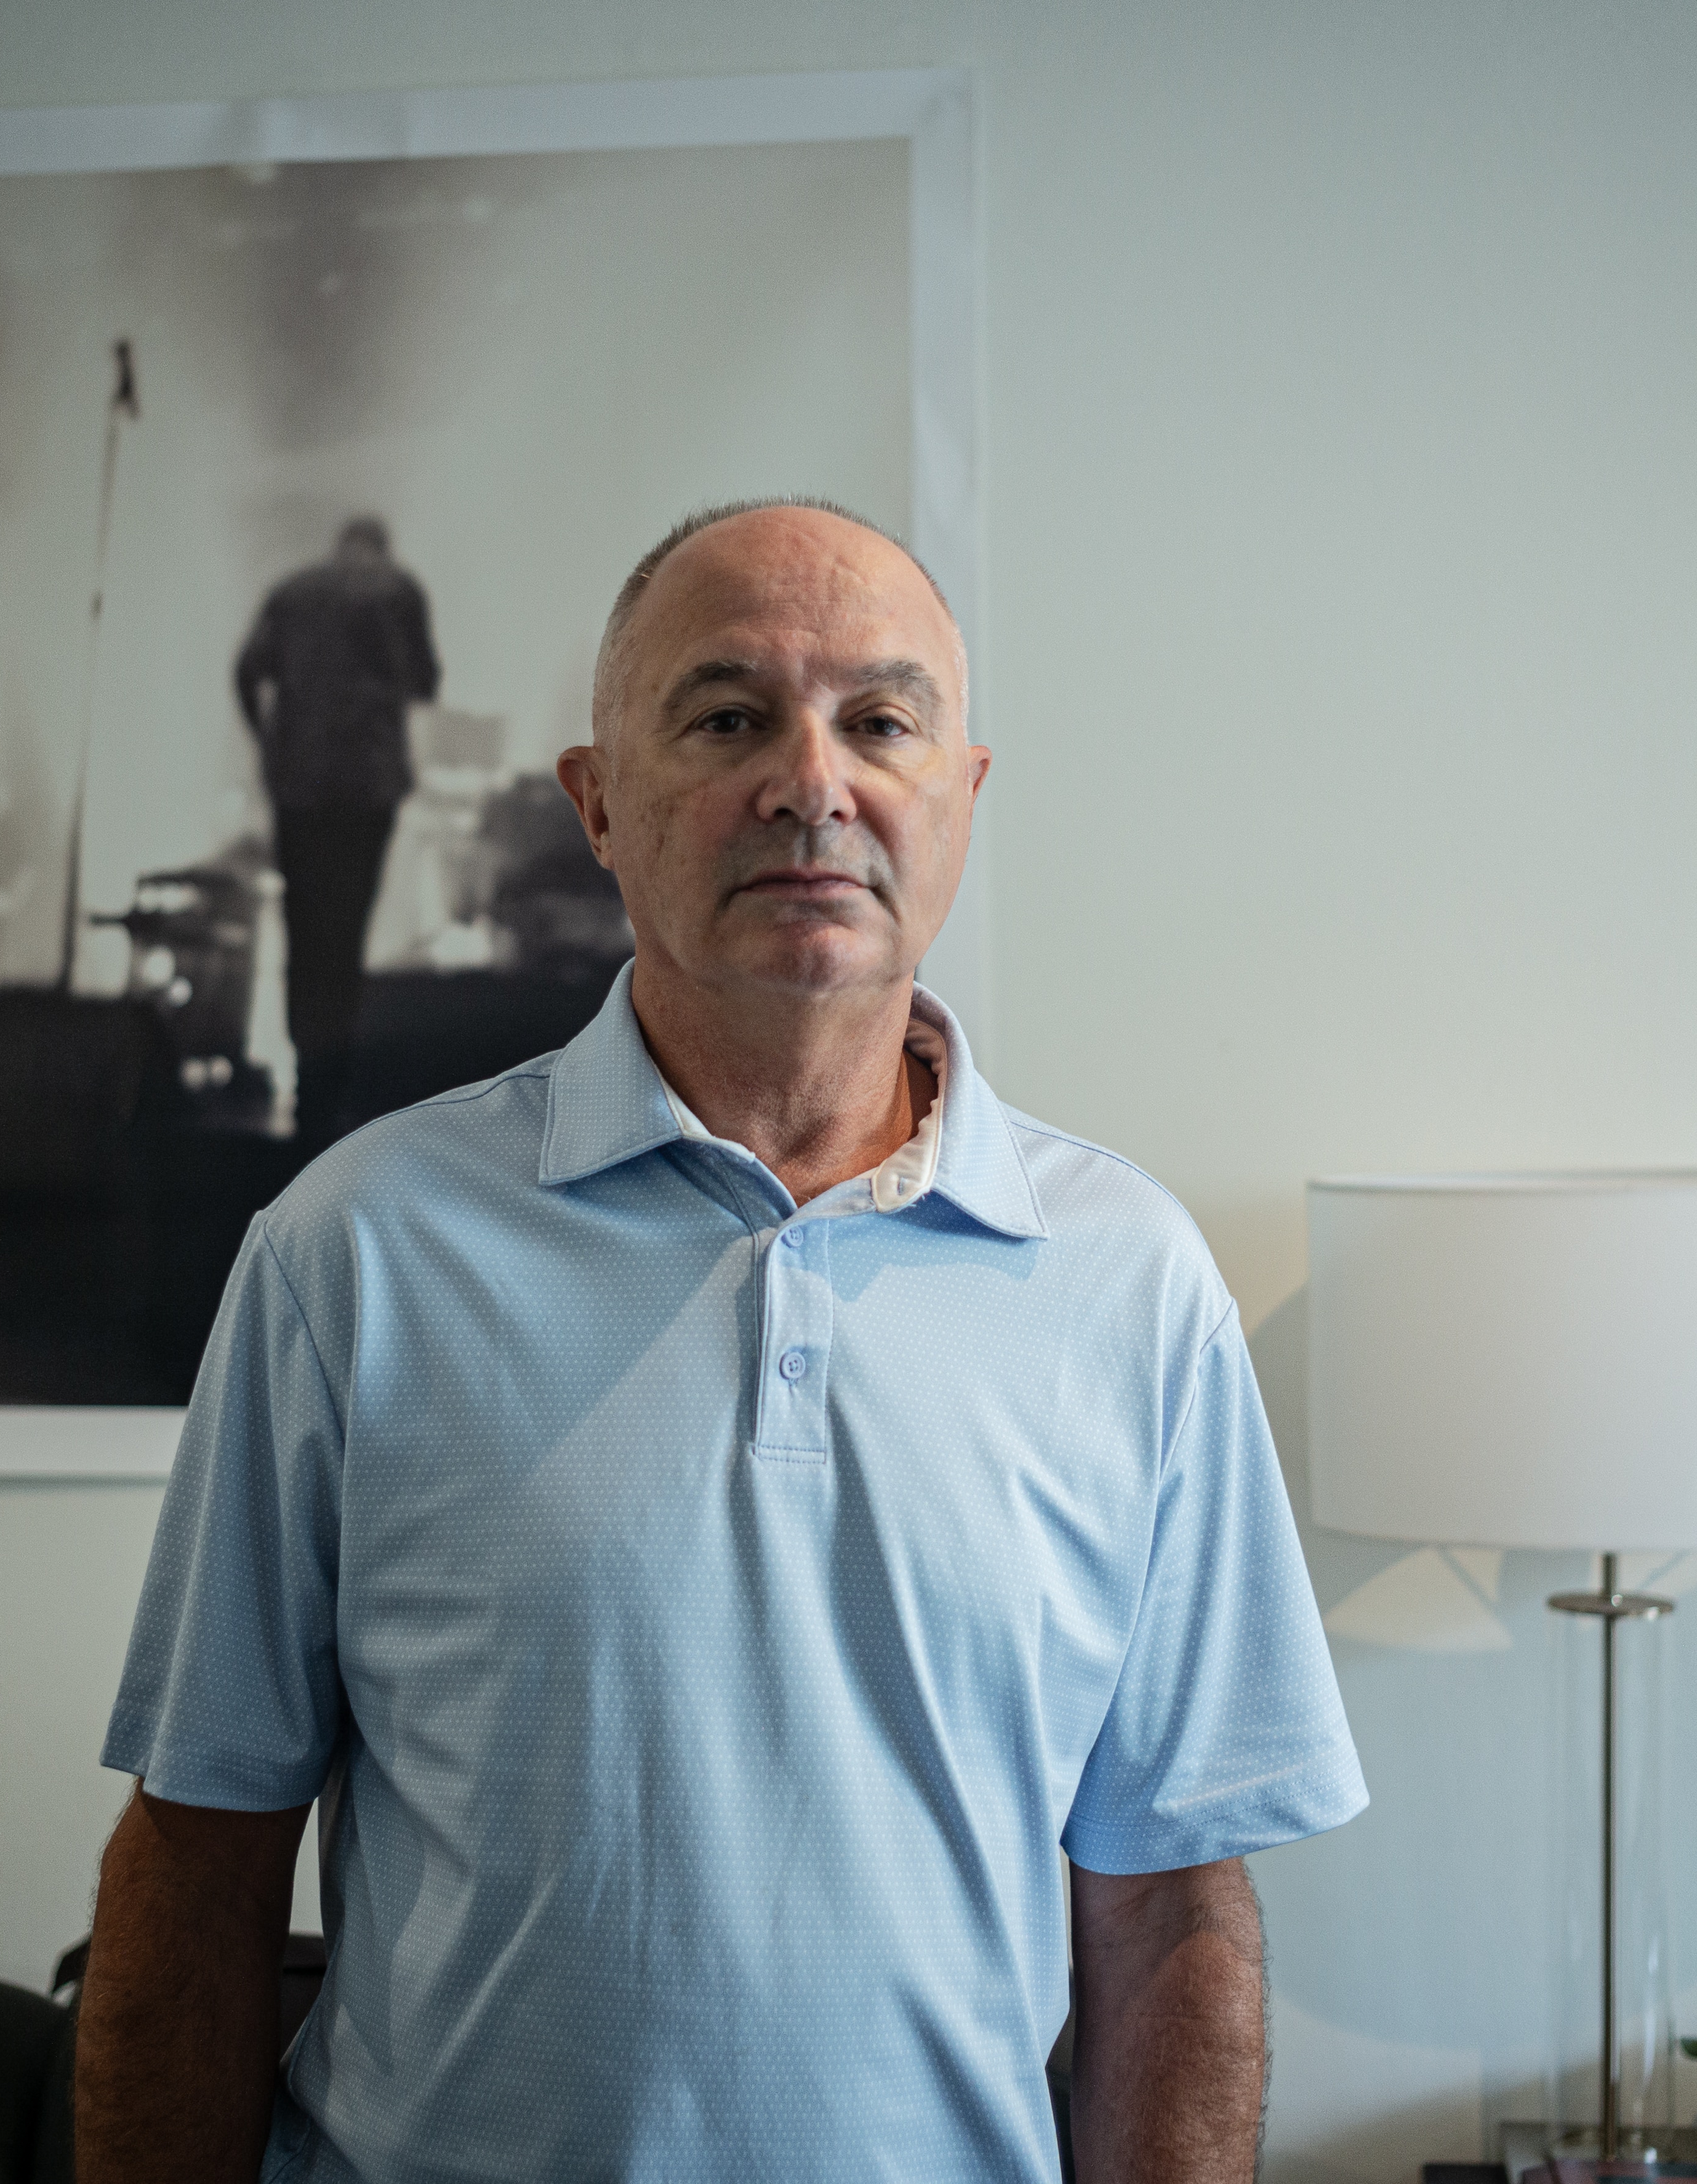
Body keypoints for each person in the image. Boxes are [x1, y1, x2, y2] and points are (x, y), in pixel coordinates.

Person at [84, 500, 1365, 2183]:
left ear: (964, 795)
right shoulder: (357, 1250)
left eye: (881, 721)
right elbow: (201, 1854)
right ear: (597, 804)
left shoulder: (1131, 1281)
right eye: (727, 717)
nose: (810, 782)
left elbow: (1172, 1905)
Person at [233, 518, 443, 1125]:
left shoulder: (292, 590)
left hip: (298, 785)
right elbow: (425, 681)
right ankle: (334, 1078)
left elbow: (245, 674)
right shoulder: (398, 589)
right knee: (346, 926)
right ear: (380, 546)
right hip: (366, 787)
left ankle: (305, 1069)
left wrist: (268, 742)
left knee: (303, 925)